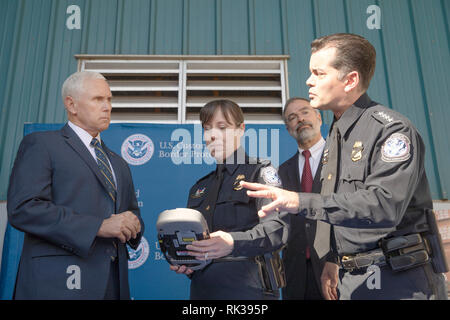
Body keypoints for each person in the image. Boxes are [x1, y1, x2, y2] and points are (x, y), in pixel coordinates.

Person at [241, 33, 448, 300]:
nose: (309, 81)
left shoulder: (391, 130)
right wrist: (332, 260)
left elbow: (383, 205)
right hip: (351, 281)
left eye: (319, 73)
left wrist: (297, 201)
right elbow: (337, 204)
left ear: (350, 80)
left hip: (399, 282)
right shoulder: (337, 137)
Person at [7, 71, 144, 300]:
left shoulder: (118, 162)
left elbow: (131, 215)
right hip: (57, 284)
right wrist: (98, 226)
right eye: (98, 99)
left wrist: (133, 224)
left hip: (113, 285)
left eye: (109, 99)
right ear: (71, 104)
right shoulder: (42, 144)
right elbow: (24, 208)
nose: (107, 106)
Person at [170, 99, 289, 300]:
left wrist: (233, 241)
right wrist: (187, 260)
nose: (213, 135)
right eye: (207, 129)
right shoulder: (199, 188)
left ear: (241, 129)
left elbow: (277, 230)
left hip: (249, 292)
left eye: (222, 127)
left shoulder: (260, 173)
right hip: (202, 293)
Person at [280, 97, 338, 300]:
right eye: (292, 117)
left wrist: (336, 259)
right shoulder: (282, 171)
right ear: (289, 129)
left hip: (334, 271)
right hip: (295, 275)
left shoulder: (342, 160)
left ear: (319, 118)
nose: (300, 119)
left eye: (305, 112)